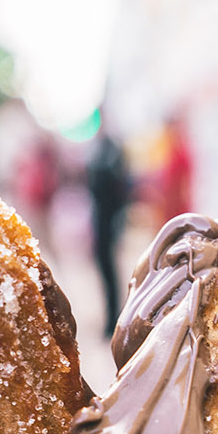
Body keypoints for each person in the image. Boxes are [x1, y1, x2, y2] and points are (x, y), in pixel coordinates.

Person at [86, 127, 135, 337]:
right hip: (102, 219)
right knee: (105, 269)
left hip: (108, 220)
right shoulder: (104, 152)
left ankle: (114, 317)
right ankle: (111, 316)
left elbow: (116, 190)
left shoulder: (110, 154)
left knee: (110, 270)